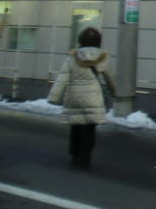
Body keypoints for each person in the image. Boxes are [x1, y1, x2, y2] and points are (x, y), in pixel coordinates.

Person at [47, 27, 115, 168]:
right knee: (89, 130)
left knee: (76, 127)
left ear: (81, 41)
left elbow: (62, 78)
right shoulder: (103, 57)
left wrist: (54, 97)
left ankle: (74, 154)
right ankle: (85, 158)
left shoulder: (72, 57)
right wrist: (116, 92)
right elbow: (111, 78)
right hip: (93, 98)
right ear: (98, 41)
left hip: (74, 97)